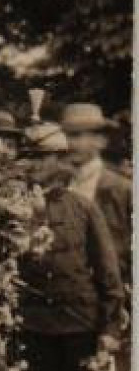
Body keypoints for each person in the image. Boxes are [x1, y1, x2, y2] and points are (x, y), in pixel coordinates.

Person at [16, 122, 125, 371]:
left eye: (42, 159)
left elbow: (108, 274)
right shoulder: (14, 210)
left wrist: (110, 330)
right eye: (29, 158)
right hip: (33, 326)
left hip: (79, 325)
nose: (34, 167)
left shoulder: (82, 207)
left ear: (59, 161)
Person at [60, 103, 131, 283]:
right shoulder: (59, 184)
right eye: (66, 136)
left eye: (76, 135)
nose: (69, 144)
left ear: (100, 140)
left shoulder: (122, 189)